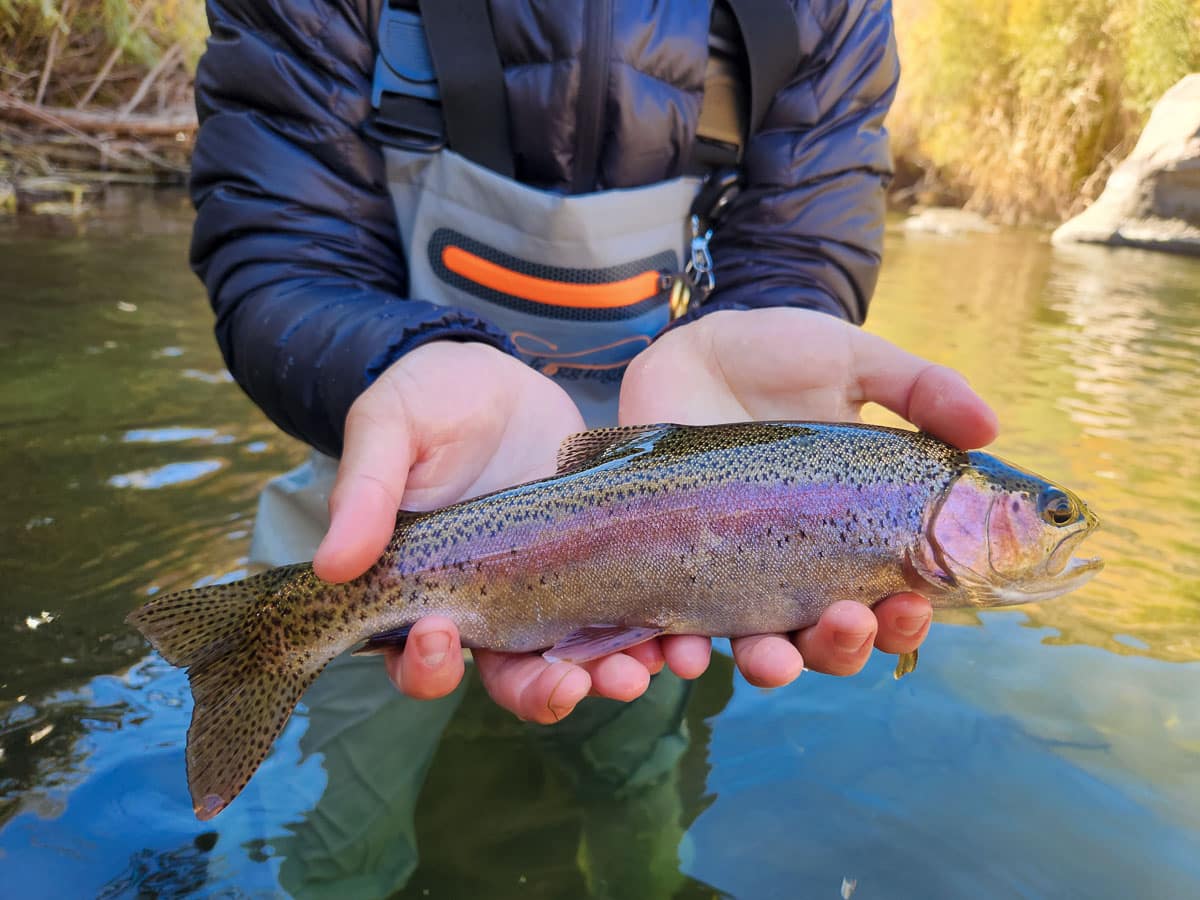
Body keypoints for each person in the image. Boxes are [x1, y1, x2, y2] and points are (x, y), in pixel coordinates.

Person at [188, 0, 998, 728]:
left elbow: (796, 248)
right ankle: (274, 658)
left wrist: (771, 319)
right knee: (345, 834)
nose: (1059, 527)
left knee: (635, 802)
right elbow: (279, 250)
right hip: (405, 453)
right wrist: (393, 360)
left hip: (696, 436)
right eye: (1053, 515)